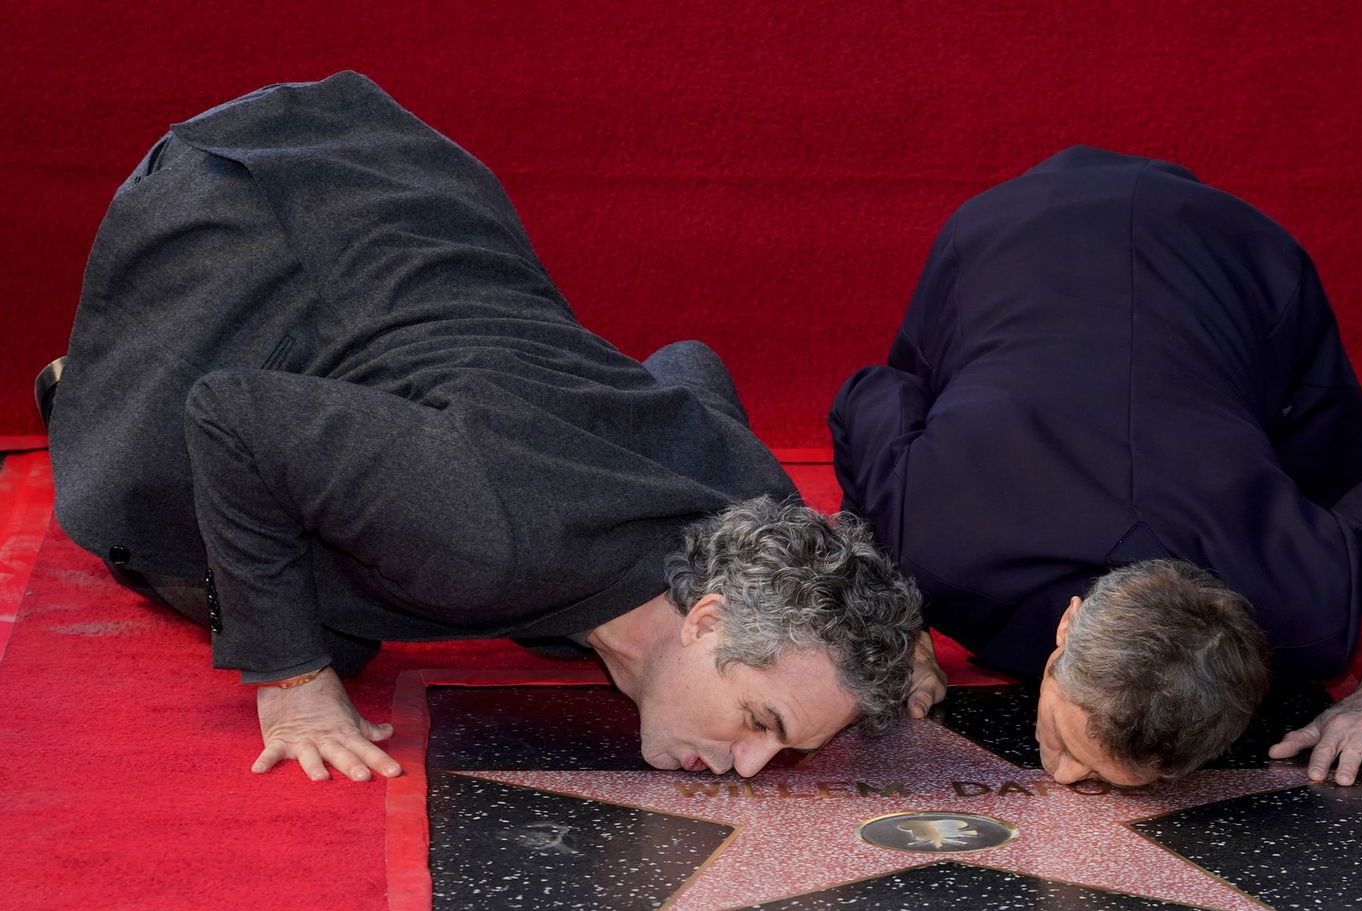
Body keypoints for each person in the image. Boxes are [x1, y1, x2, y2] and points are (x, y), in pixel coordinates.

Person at [47, 72, 922, 783]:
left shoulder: (751, 506)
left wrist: (868, 654)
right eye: (762, 722)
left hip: (423, 206)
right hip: (250, 213)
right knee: (301, 618)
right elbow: (233, 415)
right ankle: (97, 395)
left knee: (335, 590)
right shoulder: (484, 536)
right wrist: (292, 681)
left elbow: (686, 362)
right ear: (706, 620)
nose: (750, 765)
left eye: (789, 747)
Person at [830, 146, 1362, 788]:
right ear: (1069, 628)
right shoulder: (935, 532)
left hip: (1224, 265)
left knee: (1332, 462)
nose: (1064, 779)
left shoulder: (1308, 598)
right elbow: (877, 392)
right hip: (1024, 235)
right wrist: (900, 624)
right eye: (1075, 745)